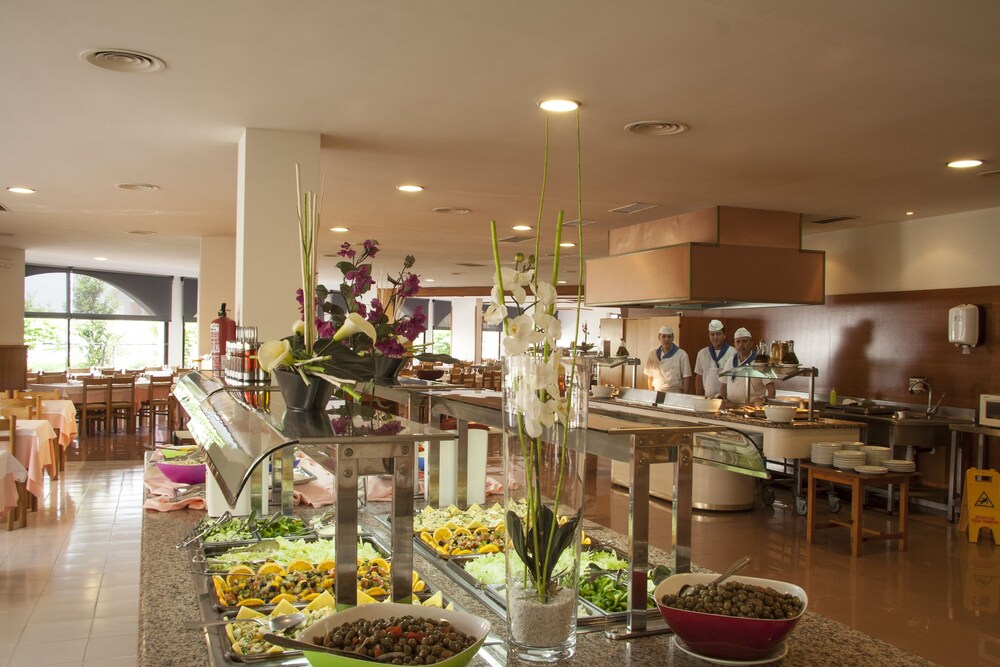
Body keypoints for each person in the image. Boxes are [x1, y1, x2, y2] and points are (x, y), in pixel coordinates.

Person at [721, 327, 775, 405]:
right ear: (734, 344)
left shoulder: (760, 362)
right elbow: (723, 384)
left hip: (754, 406)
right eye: (738, 342)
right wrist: (723, 401)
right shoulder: (730, 361)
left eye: (744, 341)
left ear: (751, 343)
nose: (741, 344)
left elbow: (770, 387)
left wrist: (769, 405)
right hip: (732, 405)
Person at [694, 319, 735, 398]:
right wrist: (698, 397)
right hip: (708, 398)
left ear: (724, 335)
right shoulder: (702, 353)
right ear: (709, 336)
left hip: (727, 398)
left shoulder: (733, 353)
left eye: (718, 334)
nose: (715, 337)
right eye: (712, 334)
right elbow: (699, 377)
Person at [644, 325, 692, 393]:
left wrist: (683, 396)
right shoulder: (652, 354)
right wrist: (651, 394)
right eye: (664, 336)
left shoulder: (682, 354)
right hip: (657, 391)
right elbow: (650, 377)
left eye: (669, 336)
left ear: (673, 338)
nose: (666, 339)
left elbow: (686, 377)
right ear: (659, 338)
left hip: (675, 392)